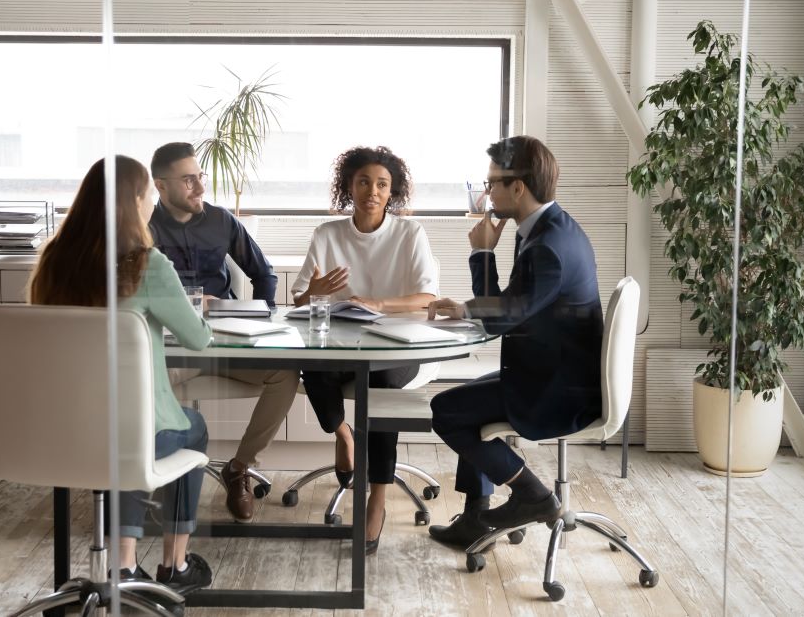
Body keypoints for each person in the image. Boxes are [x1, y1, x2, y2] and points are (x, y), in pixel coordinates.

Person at [28, 154, 213, 593]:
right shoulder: (147, 265)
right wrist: (193, 311)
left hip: (65, 431)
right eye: (149, 192)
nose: (152, 201)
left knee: (124, 433)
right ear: (133, 200)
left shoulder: (54, 261)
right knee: (182, 428)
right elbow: (198, 340)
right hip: (128, 434)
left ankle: (123, 566)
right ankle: (174, 563)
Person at [427, 136, 603, 548]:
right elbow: (513, 305)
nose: (487, 193)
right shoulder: (548, 228)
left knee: (446, 411)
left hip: (559, 392)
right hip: (553, 372)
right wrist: (468, 308)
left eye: (492, 184)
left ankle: (534, 495)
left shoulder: (546, 248)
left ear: (517, 187)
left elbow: (498, 323)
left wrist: (482, 253)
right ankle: (475, 517)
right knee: (466, 400)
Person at [290, 146, 438, 555]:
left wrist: (378, 304)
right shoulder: (327, 234)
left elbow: (428, 297)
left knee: (380, 383)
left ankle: (377, 496)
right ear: (348, 186)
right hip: (340, 345)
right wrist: (313, 294)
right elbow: (299, 300)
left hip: (397, 349)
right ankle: (343, 433)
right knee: (310, 362)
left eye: (382, 184)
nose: (372, 190)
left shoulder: (410, 234)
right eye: (364, 182)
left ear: (393, 192)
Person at [147, 142, 300, 523]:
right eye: (188, 181)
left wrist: (261, 320)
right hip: (173, 346)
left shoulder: (221, 221)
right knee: (147, 383)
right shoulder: (143, 228)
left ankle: (240, 468)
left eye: (200, 177)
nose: (200, 188)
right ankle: (164, 477)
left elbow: (264, 274)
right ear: (161, 186)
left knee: (285, 372)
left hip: (226, 339)